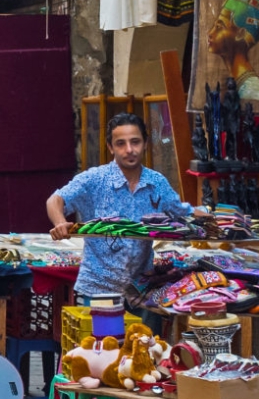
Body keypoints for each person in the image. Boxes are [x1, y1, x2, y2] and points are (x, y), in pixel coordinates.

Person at [47, 112, 191, 298]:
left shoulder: (157, 183)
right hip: (97, 288)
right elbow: (56, 200)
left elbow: (183, 213)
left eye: (135, 142)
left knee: (145, 329)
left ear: (145, 143)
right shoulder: (94, 180)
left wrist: (213, 218)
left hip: (142, 290)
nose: (129, 149)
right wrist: (60, 223)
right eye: (121, 143)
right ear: (111, 147)